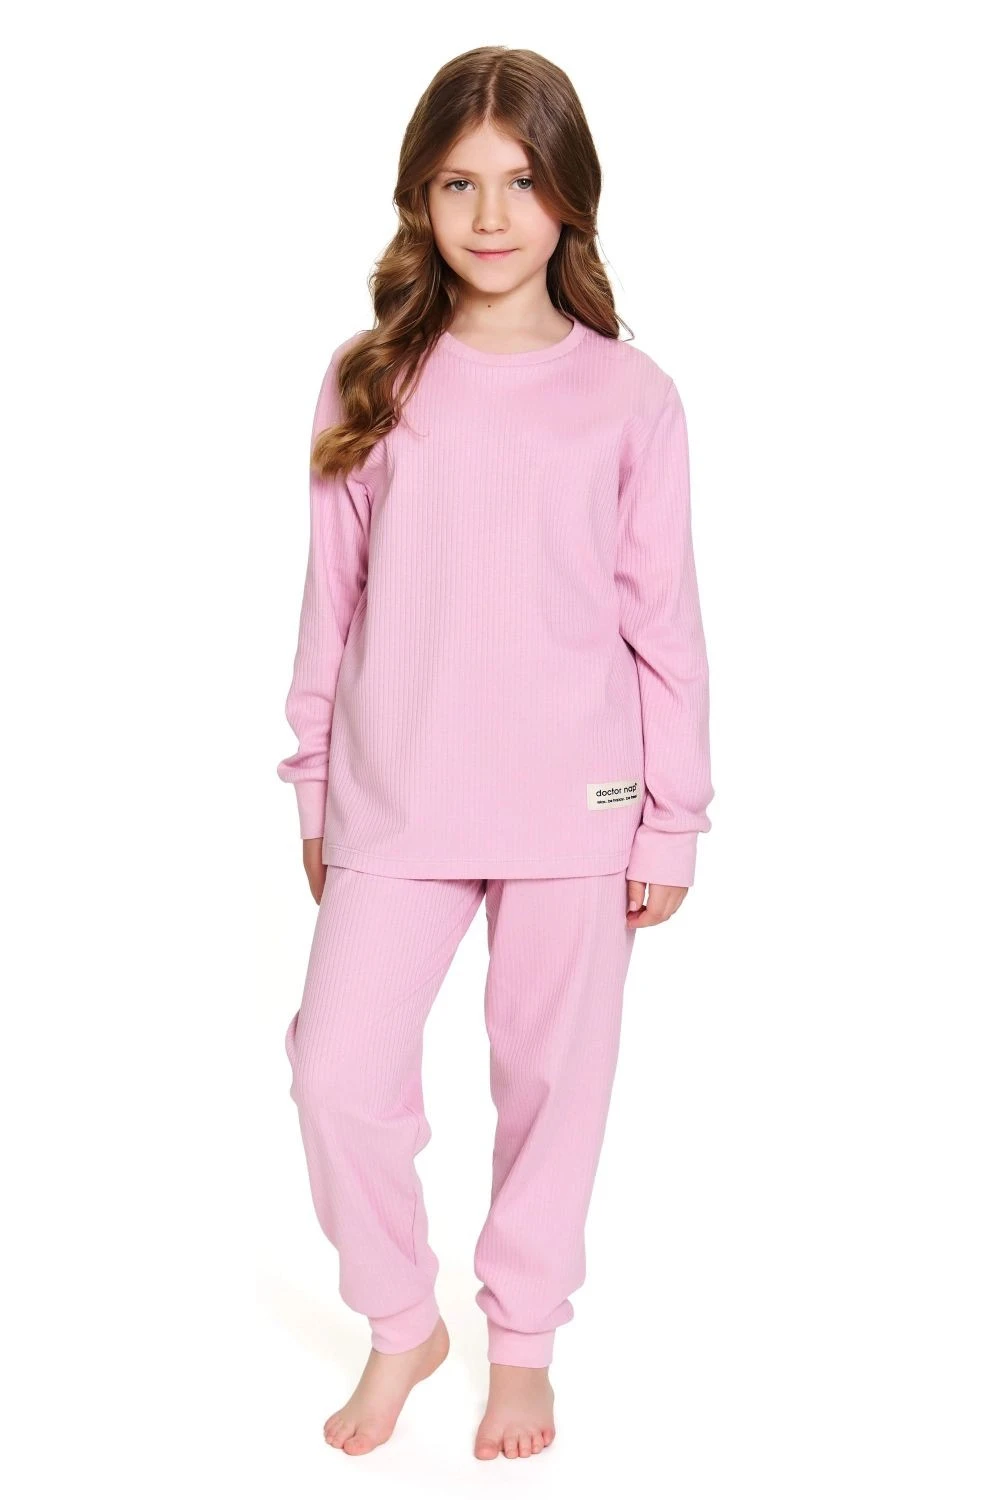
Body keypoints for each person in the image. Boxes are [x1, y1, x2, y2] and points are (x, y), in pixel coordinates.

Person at [275, 44, 715, 1462]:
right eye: (459, 183)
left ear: (570, 195)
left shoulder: (631, 397)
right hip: (398, 800)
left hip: (579, 803)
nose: (490, 213)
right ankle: (403, 1319)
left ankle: (522, 1345)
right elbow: (331, 603)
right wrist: (313, 786)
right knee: (335, 1073)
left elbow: (664, 623)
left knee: (551, 1091)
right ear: (420, 196)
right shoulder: (371, 379)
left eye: (521, 181)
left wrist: (670, 818)